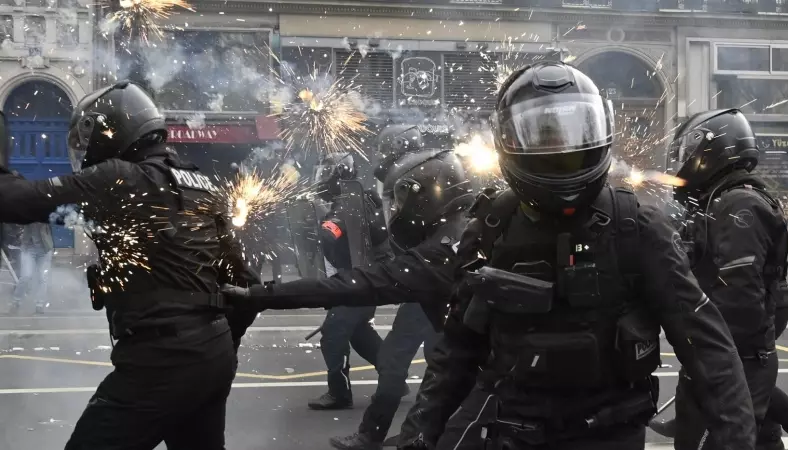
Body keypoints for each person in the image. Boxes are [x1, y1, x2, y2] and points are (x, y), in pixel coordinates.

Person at [386, 62, 755, 449]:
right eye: (544, 139)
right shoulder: (493, 224)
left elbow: (709, 349)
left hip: (610, 434)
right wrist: (419, 431)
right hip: (516, 432)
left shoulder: (636, 225)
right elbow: (458, 347)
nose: (561, 150)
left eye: (571, 136)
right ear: (508, 140)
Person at [0, 81, 259, 449]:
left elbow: (18, 201)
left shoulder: (120, 177)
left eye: (90, 135)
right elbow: (247, 283)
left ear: (112, 129)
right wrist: (215, 343)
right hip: (211, 356)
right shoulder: (201, 184)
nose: (87, 148)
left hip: (159, 361)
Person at [223, 147, 474, 450]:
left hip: (486, 372)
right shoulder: (484, 226)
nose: (395, 209)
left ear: (423, 199)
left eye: (401, 200)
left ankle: (383, 425)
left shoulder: (434, 257)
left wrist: (259, 295)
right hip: (478, 357)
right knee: (421, 379)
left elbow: (348, 282)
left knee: (421, 385)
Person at [648, 108, 788, 450]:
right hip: (731, 355)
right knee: (757, 435)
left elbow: (738, 297)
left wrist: (707, 349)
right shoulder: (722, 200)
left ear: (710, 150)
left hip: (734, 355)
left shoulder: (738, 204)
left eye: (688, 151)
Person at [307, 153, 394, 411]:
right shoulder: (365, 197)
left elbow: (331, 234)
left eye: (327, 173)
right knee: (359, 332)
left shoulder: (346, 205)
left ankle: (339, 394)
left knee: (332, 334)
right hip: (370, 278)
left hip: (358, 280)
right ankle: (395, 380)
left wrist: (320, 225)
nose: (322, 179)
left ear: (339, 175)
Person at [11, 216, 54, 315]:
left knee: (43, 278)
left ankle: (39, 305)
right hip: (28, 249)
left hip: (45, 249)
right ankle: (16, 302)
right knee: (26, 276)